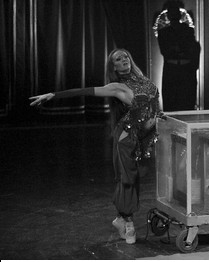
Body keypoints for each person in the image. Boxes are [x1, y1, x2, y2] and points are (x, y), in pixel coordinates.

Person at [29, 48, 163, 244]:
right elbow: (86, 91)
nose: (124, 60)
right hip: (126, 137)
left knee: (135, 179)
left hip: (143, 137)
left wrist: (160, 119)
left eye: (125, 56)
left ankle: (120, 218)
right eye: (118, 59)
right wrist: (53, 95)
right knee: (127, 178)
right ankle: (128, 224)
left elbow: (155, 107)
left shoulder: (144, 80)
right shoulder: (116, 86)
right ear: (114, 66)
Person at [158, 6, 200, 111]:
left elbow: (191, 49)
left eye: (175, 13)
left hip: (186, 70)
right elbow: (165, 51)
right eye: (171, 13)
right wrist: (178, 49)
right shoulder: (163, 33)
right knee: (171, 102)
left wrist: (180, 50)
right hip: (172, 70)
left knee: (186, 102)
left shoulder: (188, 30)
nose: (174, 16)